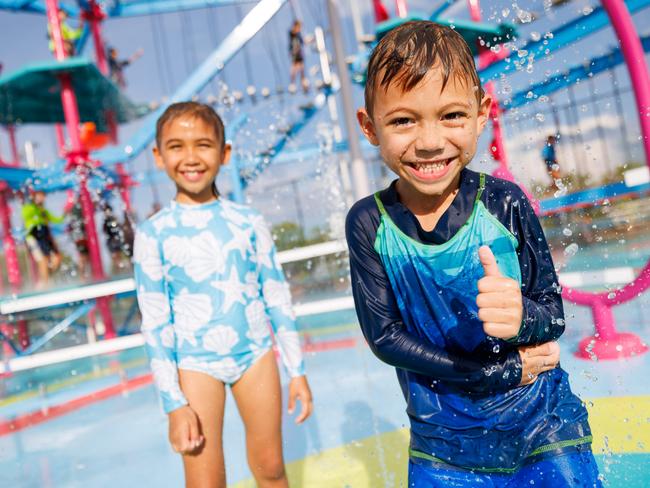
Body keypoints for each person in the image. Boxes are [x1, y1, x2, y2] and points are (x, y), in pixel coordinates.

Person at [346, 21, 599, 486]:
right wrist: (497, 370)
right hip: (443, 443)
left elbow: (553, 315)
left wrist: (522, 316)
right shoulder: (369, 222)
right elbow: (385, 338)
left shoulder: (505, 203)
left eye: (452, 116)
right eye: (403, 120)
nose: (429, 141)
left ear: (482, 115)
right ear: (369, 126)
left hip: (540, 421)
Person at [133, 101, 313, 487]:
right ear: (158, 156)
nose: (191, 157)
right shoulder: (153, 234)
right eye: (176, 146)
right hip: (195, 365)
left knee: (271, 469)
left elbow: (276, 298)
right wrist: (173, 403)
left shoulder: (248, 222)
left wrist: (296, 370)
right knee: (204, 482)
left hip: (255, 356)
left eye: (203, 144)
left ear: (224, 152)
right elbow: (155, 323)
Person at [21, 190, 63, 288]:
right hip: (33, 236)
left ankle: (47, 278)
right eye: (40, 196)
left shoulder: (43, 210)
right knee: (43, 260)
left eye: (43, 197)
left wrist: (66, 209)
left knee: (56, 257)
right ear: (34, 197)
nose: (42, 198)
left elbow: (57, 219)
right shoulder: (28, 207)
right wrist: (38, 213)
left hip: (44, 236)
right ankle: (43, 283)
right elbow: (26, 217)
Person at [66, 201, 89, 279]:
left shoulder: (73, 217)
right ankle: (83, 276)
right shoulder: (78, 212)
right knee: (83, 257)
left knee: (84, 257)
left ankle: (83, 276)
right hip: (80, 239)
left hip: (79, 239)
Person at [288, 19, 309, 94]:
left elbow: (302, 42)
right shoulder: (292, 33)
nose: (299, 29)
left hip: (299, 53)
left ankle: (303, 83)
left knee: (301, 68)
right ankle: (293, 84)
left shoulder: (298, 34)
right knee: (294, 69)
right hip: (295, 53)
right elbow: (292, 33)